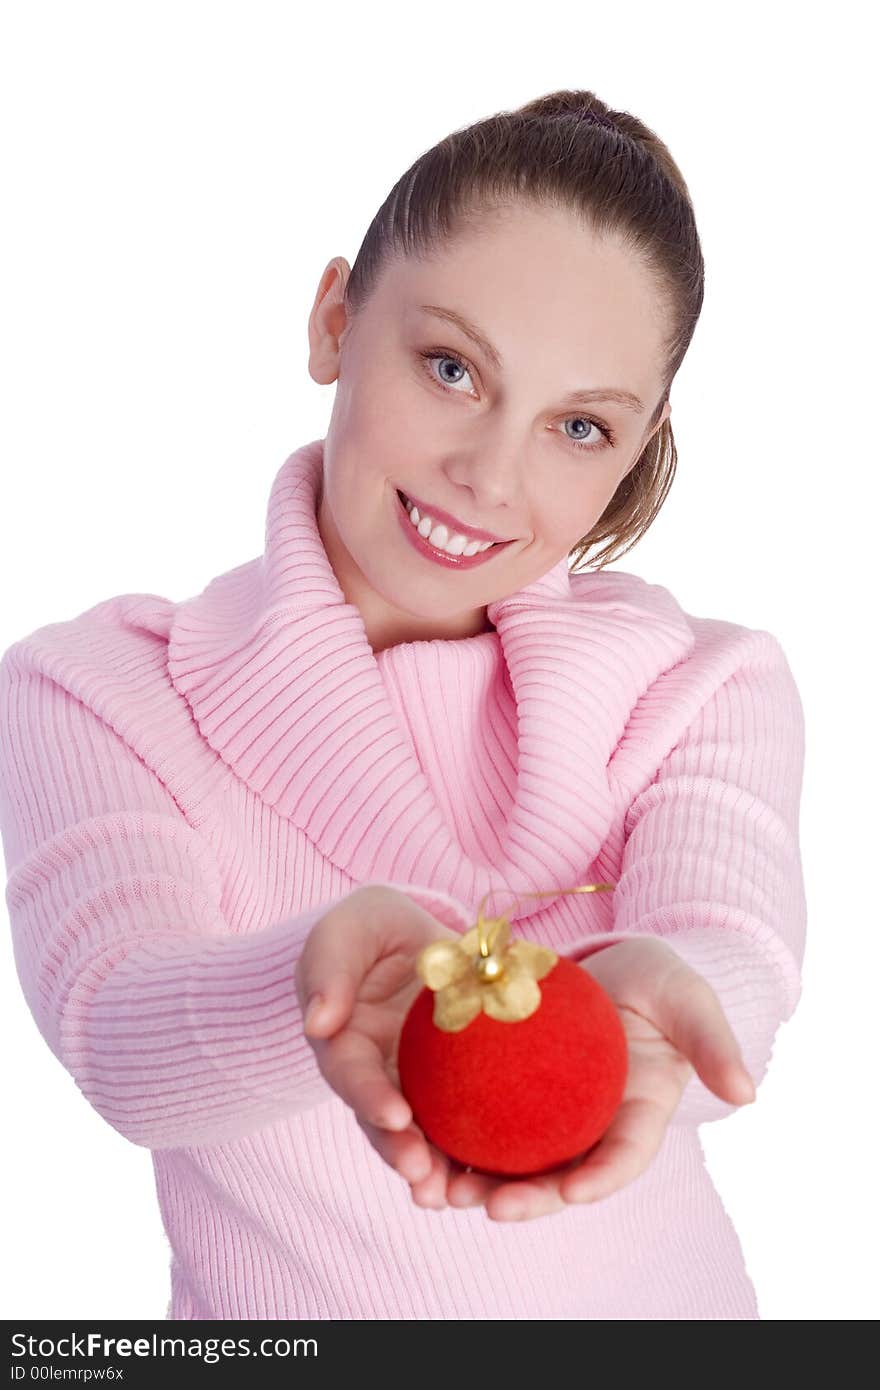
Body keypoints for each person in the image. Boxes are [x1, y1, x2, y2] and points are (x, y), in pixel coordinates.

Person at [0, 88, 807, 1320]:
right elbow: (121, 1037)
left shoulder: (698, 684)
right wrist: (311, 995)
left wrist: (644, 1007)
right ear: (334, 320)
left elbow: (731, 963)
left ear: (633, 453)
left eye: (578, 426)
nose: (488, 475)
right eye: (450, 368)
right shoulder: (100, 692)